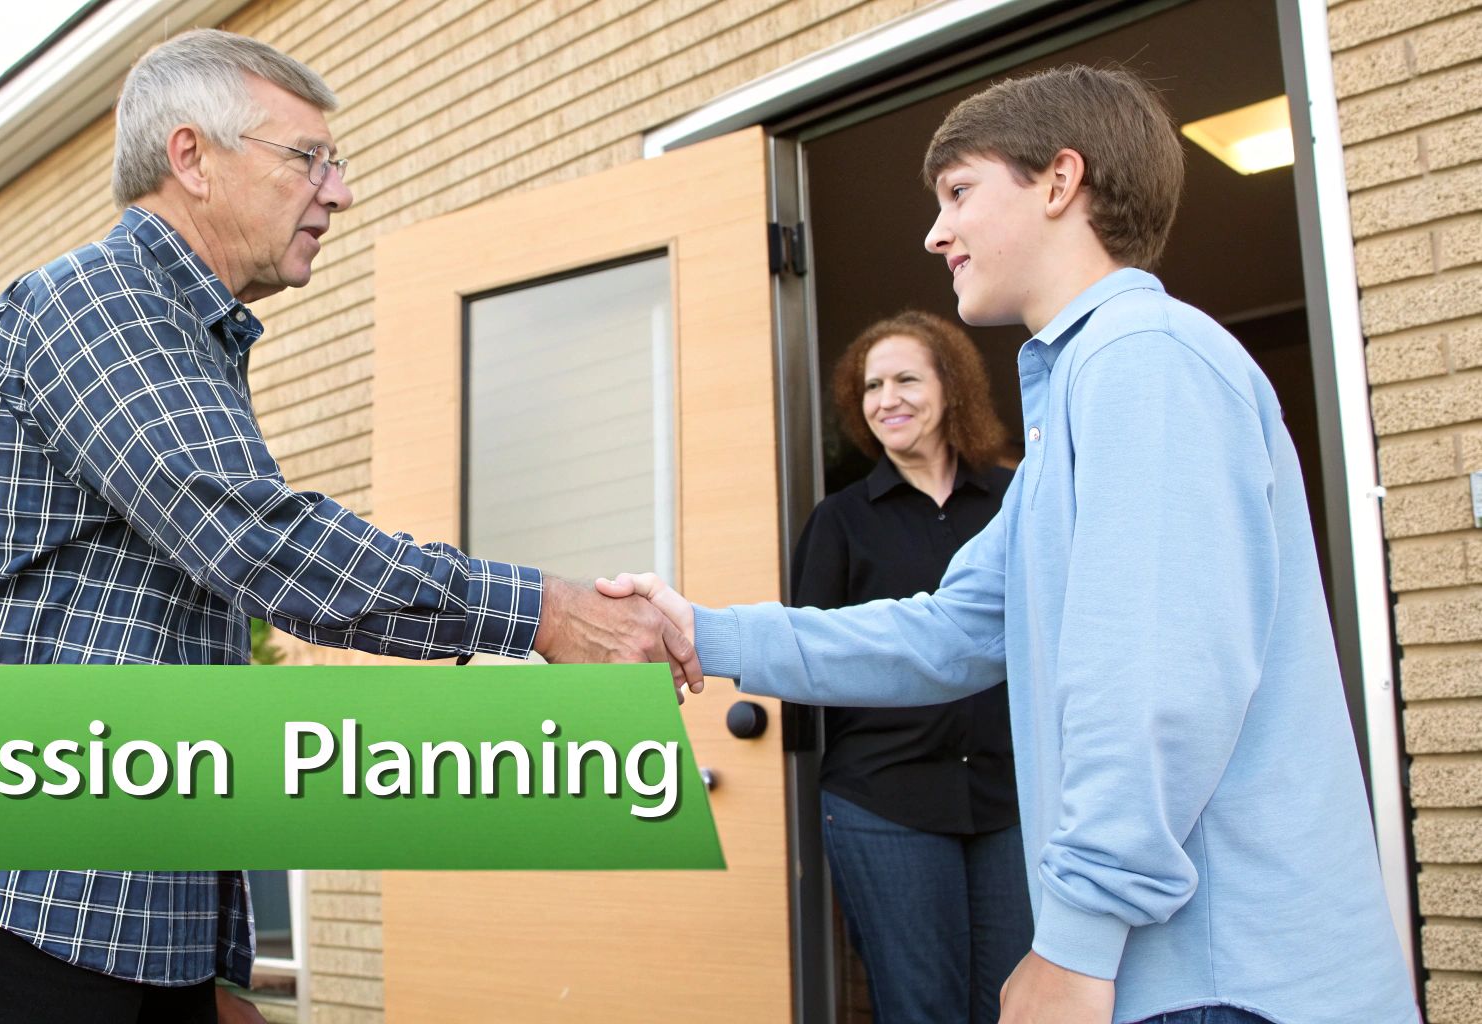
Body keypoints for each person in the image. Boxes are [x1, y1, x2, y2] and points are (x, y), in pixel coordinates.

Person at [0, 29, 697, 1024]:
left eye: (334, 165)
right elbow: (266, 543)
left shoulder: (186, 338)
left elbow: (155, 667)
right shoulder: (98, 300)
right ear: (190, 158)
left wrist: (194, 966)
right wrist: (549, 614)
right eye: (307, 158)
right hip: (8, 895)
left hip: (111, 918)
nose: (336, 193)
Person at [601, 65, 1421, 1024]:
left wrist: (1074, 941)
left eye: (958, 193)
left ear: (1060, 182)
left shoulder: (1145, 362)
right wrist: (707, 632)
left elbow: (1155, 682)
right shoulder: (1080, 399)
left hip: (1220, 977)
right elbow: (947, 634)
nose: (934, 232)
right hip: (1167, 974)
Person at [799, 310, 1028, 1023]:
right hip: (884, 801)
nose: (886, 399)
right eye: (871, 386)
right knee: (920, 1010)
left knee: (1013, 1006)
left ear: (951, 387)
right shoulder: (840, 521)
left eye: (905, 379)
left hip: (1011, 799)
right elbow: (812, 657)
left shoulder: (1013, 499)